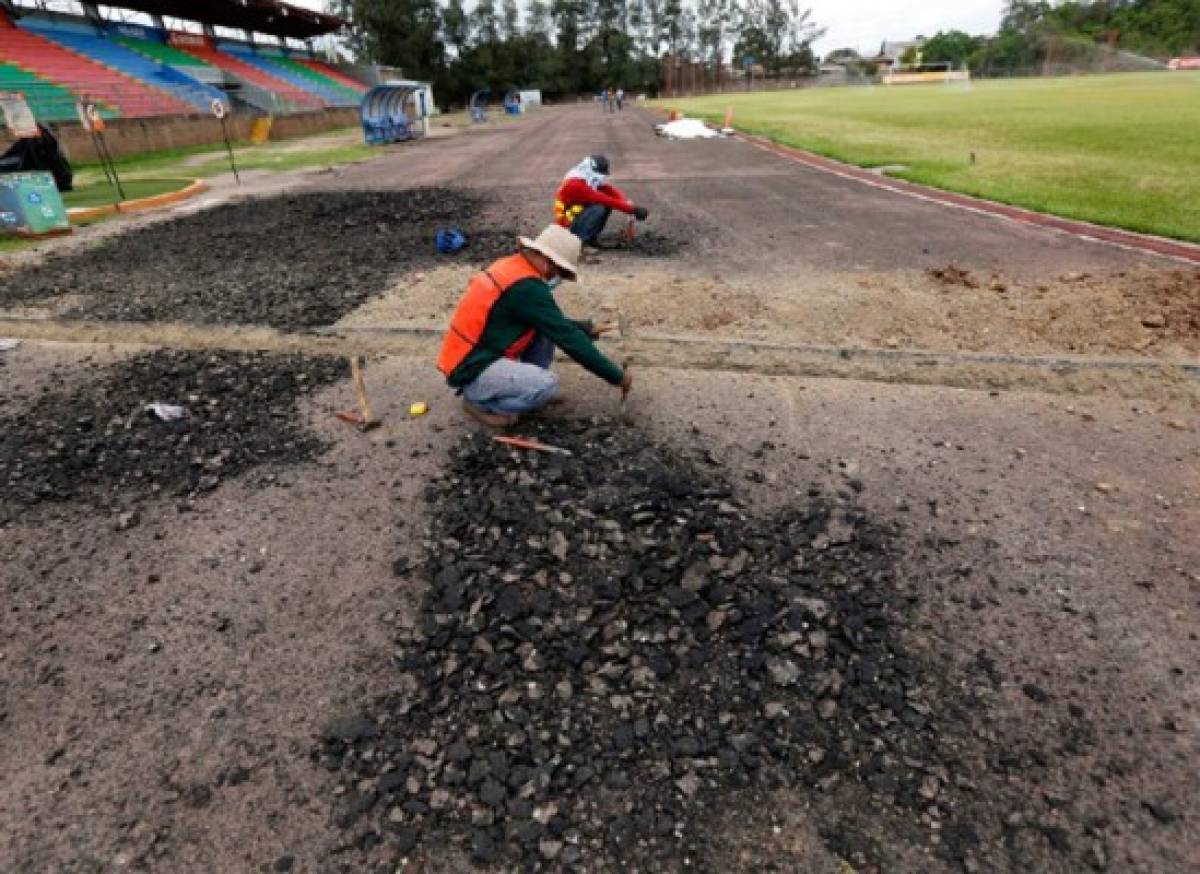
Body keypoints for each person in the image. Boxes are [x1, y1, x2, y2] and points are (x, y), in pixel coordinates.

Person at [437, 224, 632, 427]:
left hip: (471, 355)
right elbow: (568, 339)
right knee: (547, 385)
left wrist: (587, 328)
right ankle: (479, 403)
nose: (556, 278)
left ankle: (523, 387)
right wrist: (617, 377)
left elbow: (547, 320)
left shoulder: (513, 267)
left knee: (543, 331)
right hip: (471, 368)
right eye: (560, 272)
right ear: (549, 262)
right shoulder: (527, 287)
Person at [553, 154, 648, 247]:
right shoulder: (575, 184)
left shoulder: (585, 177)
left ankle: (590, 238)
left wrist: (626, 203)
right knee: (599, 208)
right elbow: (605, 199)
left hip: (573, 218)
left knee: (602, 206)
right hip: (566, 225)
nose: (600, 177)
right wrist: (633, 210)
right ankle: (580, 242)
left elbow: (608, 190)